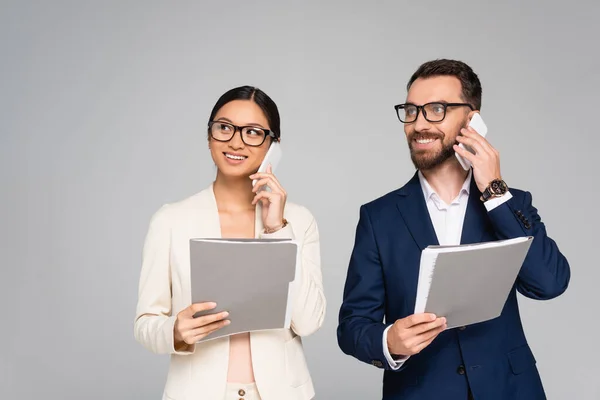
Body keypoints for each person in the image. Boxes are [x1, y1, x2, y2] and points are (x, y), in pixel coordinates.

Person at [336, 59, 570, 400]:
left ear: (473, 120)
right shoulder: (378, 217)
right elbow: (353, 325)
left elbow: (549, 283)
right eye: (412, 111)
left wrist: (494, 189)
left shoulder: (510, 203)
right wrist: (390, 341)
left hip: (510, 390)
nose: (419, 124)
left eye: (436, 110)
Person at [134, 86, 325, 400]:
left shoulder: (298, 221)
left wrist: (277, 228)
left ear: (273, 145)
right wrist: (176, 332)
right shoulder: (170, 220)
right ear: (209, 136)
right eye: (224, 128)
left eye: (252, 132)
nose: (235, 141)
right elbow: (145, 324)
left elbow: (308, 321)